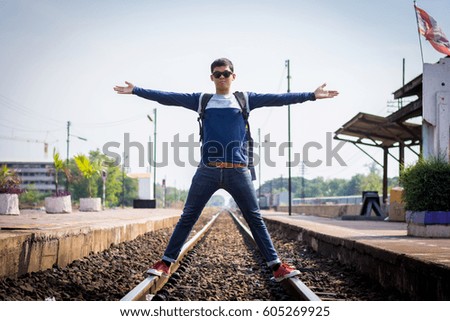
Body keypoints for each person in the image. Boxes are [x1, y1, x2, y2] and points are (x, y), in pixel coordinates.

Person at [114, 58, 338, 282]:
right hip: (207, 171)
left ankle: (277, 267)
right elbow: (168, 97)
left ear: (233, 76)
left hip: (238, 171)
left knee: (255, 218)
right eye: (217, 74)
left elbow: (279, 99)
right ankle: (165, 262)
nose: (222, 77)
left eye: (226, 73)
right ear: (212, 77)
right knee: (188, 217)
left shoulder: (244, 100)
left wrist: (311, 95)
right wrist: (136, 91)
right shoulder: (202, 100)